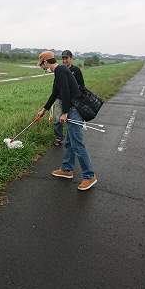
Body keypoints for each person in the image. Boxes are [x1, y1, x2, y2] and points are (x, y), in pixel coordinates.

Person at [37, 51, 97, 191]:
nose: (42, 67)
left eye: (41, 64)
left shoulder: (59, 70)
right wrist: (44, 110)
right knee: (70, 142)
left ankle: (89, 176)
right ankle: (67, 169)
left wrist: (64, 112)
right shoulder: (60, 70)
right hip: (72, 109)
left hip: (73, 110)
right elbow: (55, 93)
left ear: (45, 62)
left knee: (77, 144)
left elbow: (65, 92)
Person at [53, 50, 85, 146]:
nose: (64, 60)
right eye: (63, 58)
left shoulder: (76, 70)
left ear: (71, 58)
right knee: (57, 120)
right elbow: (55, 86)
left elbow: (82, 86)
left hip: (72, 101)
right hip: (60, 99)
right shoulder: (58, 70)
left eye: (66, 58)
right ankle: (59, 137)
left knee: (71, 120)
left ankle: (70, 137)